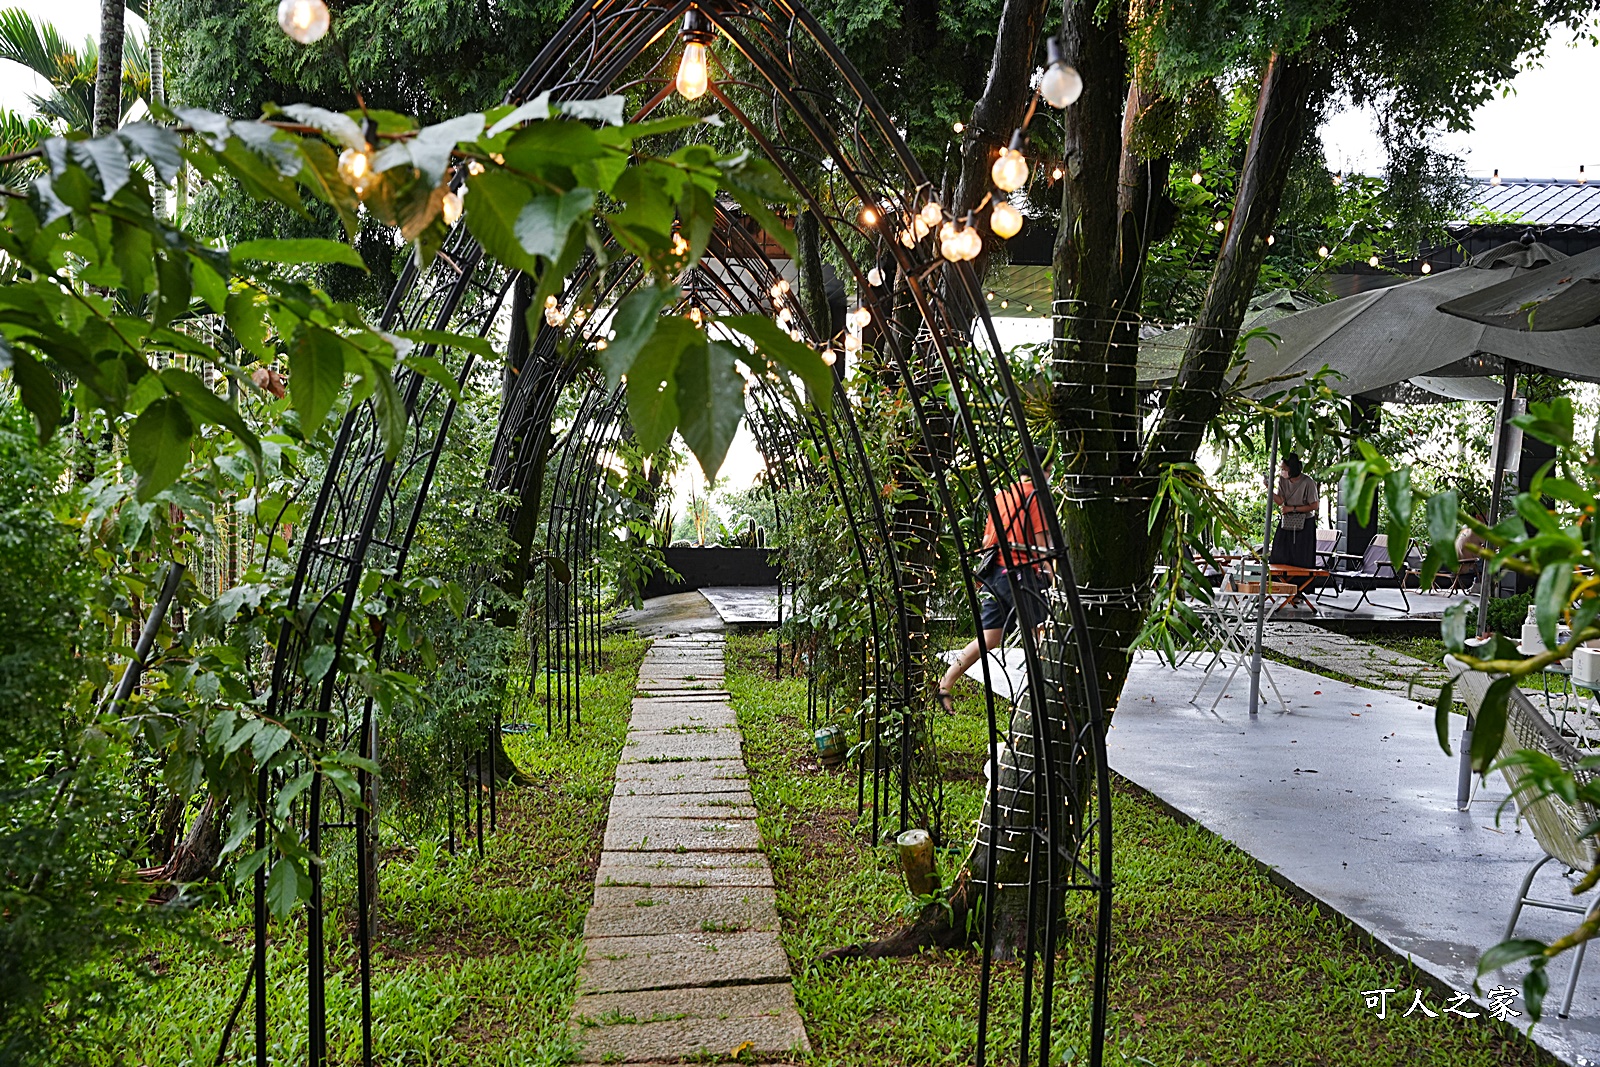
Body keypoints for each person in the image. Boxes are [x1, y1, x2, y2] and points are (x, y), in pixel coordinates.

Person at [938, 455, 1053, 711]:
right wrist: (1054, 577)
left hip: (994, 577)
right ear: (1043, 471)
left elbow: (987, 540)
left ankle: (946, 682)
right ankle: (1042, 696)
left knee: (989, 637)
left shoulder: (1002, 495)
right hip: (1020, 574)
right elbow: (1043, 546)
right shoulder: (1034, 496)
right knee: (1041, 634)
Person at [1270, 453, 1318, 571]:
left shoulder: (1308, 482)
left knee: (1301, 557)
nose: (1282, 471)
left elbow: (1314, 505)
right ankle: (1279, 582)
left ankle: (1300, 584)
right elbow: (1280, 500)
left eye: (1284, 469)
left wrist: (1293, 508)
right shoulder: (1283, 480)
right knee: (1279, 552)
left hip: (1304, 523)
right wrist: (1269, 488)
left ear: (1292, 468)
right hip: (1287, 521)